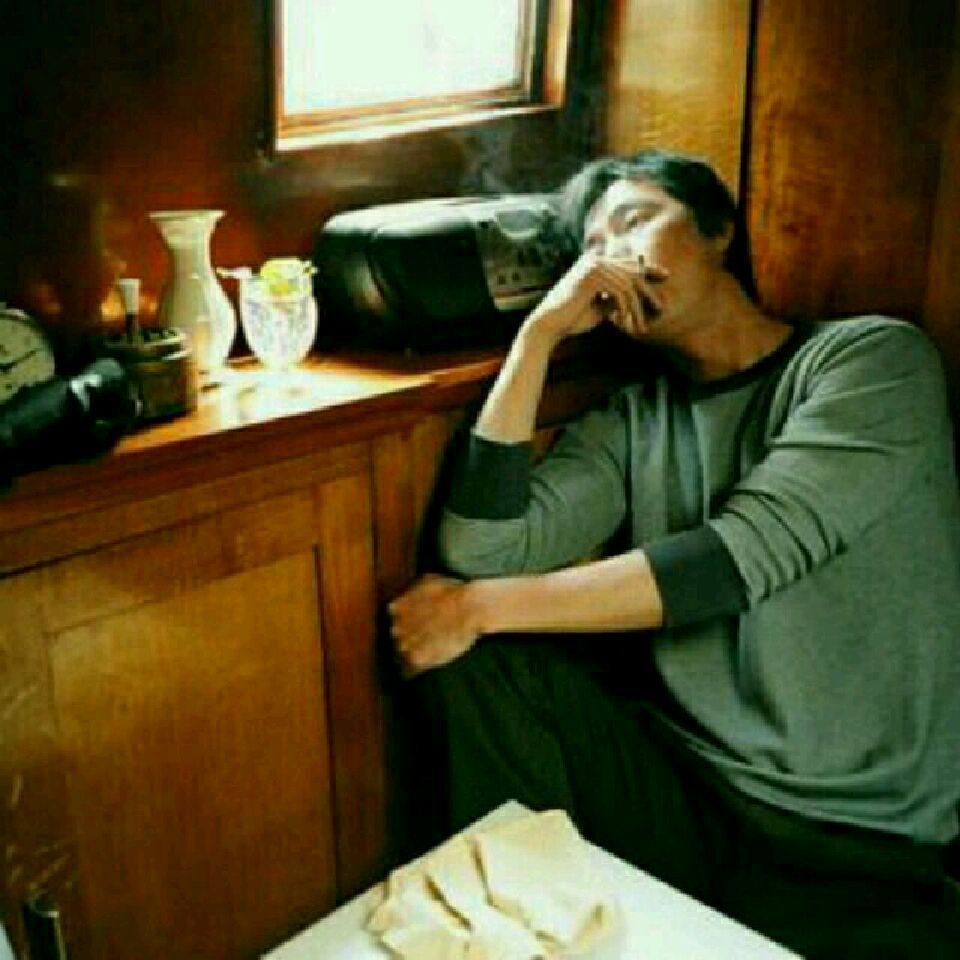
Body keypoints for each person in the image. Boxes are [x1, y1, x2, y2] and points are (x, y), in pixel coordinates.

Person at [388, 149, 960, 958]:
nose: (612, 259)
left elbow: (738, 558)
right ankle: (525, 930)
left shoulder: (873, 361)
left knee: (472, 618)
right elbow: (480, 550)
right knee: (476, 657)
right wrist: (537, 336)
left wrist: (479, 606)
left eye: (634, 222)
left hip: (852, 844)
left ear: (717, 230)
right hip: (688, 797)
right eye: (592, 249)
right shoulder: (634, 422)